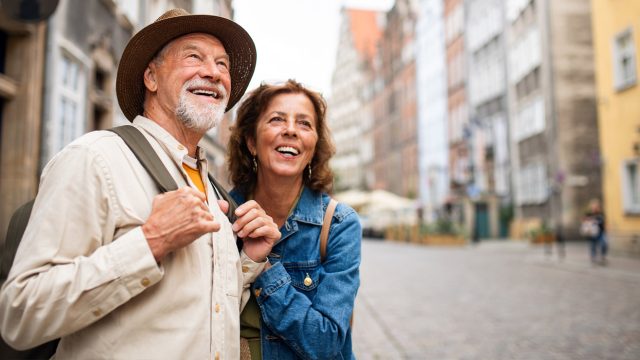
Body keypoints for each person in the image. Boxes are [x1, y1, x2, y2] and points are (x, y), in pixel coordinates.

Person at [0, 9, 279, 359]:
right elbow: (21, 314)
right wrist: (149, 243)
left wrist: (249, 261)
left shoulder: (213, 189)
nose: (213, 72)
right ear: (151, 77)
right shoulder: (94, 158)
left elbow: (202, 313)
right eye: (194, 56)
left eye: (222, 64)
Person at [227, 80, 362, 359]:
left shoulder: (338, 225)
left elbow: (326, 343)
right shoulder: (223, 214)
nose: (290, 130)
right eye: (277, 119)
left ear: (313, 147)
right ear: (251, 142)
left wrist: (263, 267)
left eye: (304, 124)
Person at [583, 198, 607, 265]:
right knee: (593, 246)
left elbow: (603, 222)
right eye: (593, 206)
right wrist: (589, 220)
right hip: (592, 233)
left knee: (604, 244)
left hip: (600, 232)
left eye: (596, 206)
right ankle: (593, 257)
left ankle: (603, 256)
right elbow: (584, 221)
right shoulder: (588, 213)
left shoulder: (601, 213)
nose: (594, 208)